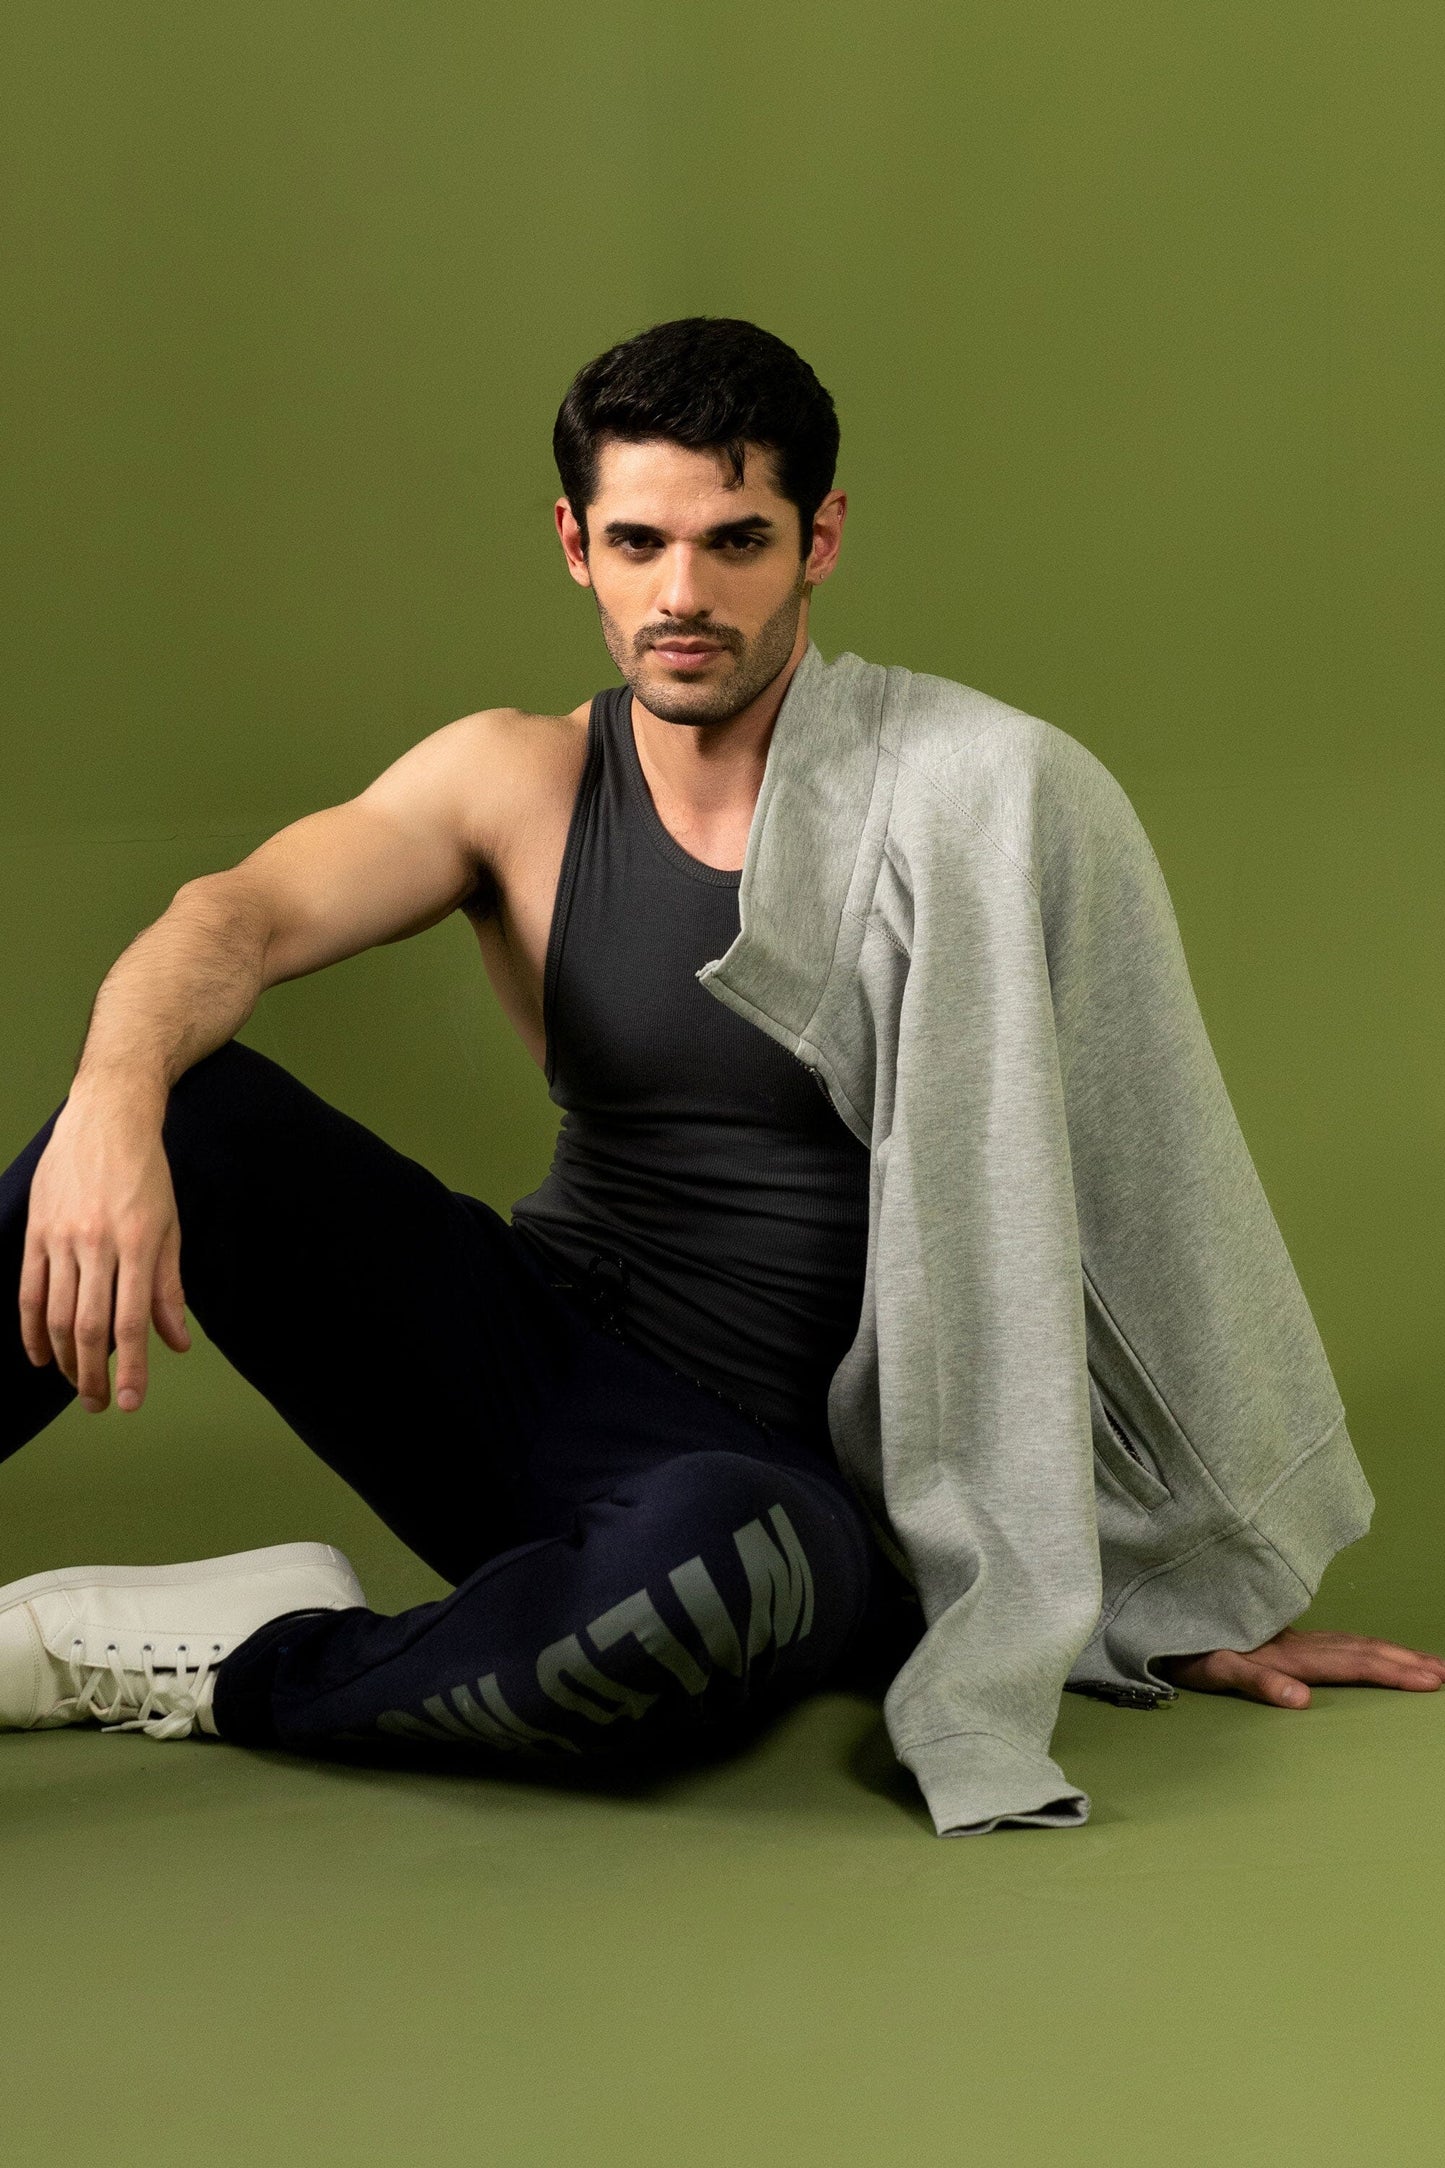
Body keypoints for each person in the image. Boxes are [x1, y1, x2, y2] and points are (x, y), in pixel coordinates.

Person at [1, 318, 1438, 1834]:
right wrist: (114, 1101)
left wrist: (1178, 1573)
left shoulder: (984, 793)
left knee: (707, 1584)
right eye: (639, 542)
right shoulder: (518, 780)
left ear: (819, 540)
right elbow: (234, 916)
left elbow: (1156, 1193)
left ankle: (237, 1659)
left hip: (780, 1492)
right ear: (577, 544)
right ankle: (478, 1602)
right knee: (190, 1109)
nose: (682, 594)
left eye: (735, 540)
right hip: (528, 1368)